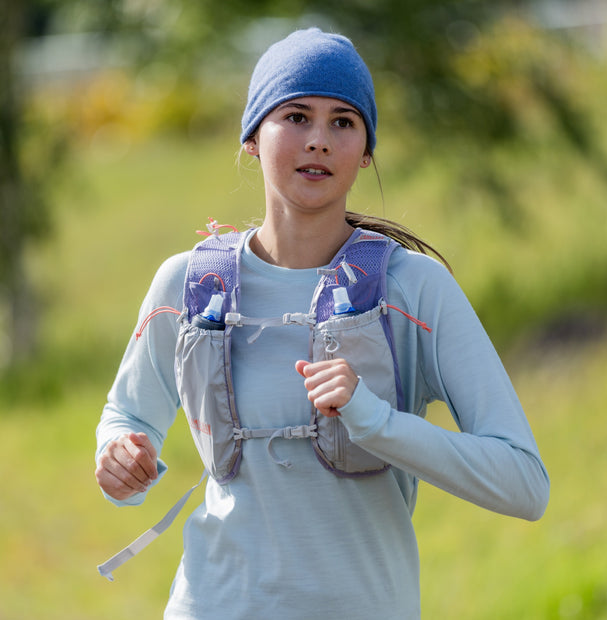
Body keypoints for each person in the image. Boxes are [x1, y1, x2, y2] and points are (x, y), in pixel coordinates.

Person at [95, 28, 549, 620]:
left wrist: (376, 420)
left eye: (343, 122)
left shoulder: (414, 290)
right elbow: (127, 416)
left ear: (365, 150)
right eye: (296, 115)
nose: (319, 141)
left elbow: (524, 484)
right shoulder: (187, 284)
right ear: (254, 137)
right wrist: (119, 458)